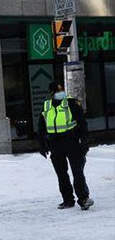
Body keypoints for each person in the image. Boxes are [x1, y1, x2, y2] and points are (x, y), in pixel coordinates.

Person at [38, 82, 93, 210]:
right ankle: (67, 200)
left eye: (61, 90)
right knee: (61, 174)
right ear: (51, 93)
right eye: (57, 91)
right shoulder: (47, 106)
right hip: (55, 144)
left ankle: (83, 199)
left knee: (77, 172)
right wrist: (42, 144)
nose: (60, 93)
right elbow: (41, 127)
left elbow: (82, 124)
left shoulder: (72, 104)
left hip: (72, 142)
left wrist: (84, 141)